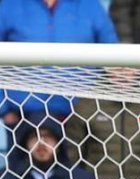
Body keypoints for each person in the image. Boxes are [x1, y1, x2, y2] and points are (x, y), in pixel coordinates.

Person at [0, 0, 118, 144]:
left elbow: (113, 57)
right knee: (23, 167)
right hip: (22, 117)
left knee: (78, 166)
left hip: (80, 119)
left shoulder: (90, 5)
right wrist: (4, 110)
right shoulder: (10, 5)